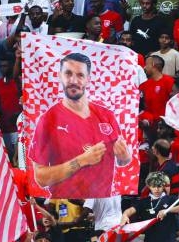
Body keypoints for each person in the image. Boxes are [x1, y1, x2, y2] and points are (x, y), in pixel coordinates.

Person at [29, 53, 131, 198]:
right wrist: (82, 160)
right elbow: (40, 178)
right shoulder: (48, 120)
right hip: (67, 206)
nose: (73, 80)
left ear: (88, 79)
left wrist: (125, 156)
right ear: (60, 76)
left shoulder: (106, 115)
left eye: (80, 75)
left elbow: (122, 161)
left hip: (104, 203)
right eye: (68, 73)